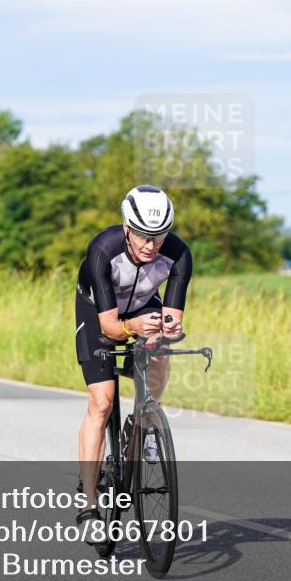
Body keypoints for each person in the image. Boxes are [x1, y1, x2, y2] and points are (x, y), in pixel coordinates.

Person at [74, 185, 192, 529]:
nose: (150, 245)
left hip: (143, 305)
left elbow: (173, 315)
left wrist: (167, 329)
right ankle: (88, 503)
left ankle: (145, 422)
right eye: (142, 235)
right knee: (102, 401)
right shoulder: (102, 249)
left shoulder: (179, 254)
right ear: (127, 227)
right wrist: (132, 327)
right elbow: (110, 327)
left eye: (159, 236)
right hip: (97, 312)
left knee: (161, 349)